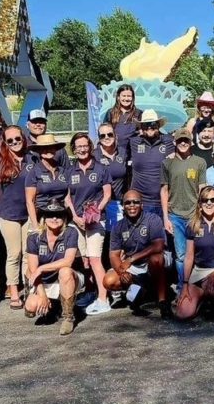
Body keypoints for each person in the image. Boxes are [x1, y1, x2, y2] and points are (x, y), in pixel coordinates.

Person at [0, 125, 36, 309]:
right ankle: (13, 291)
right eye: (10, 140)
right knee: (14, 254)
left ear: (23, 139)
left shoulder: (32, 159)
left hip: (29, 213)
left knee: (29, 254)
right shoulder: (0, 161)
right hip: (9, 215)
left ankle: (29, 288)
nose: (14, 143)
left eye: (18, 139)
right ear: (5, 143)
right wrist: (3, 197)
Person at [64, 132, 113, 316]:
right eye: (79, 146)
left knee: (94, 258)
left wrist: (96, 212)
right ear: (74, 149)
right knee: (83, 261)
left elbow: (107, 194)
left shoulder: (101, 168)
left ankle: (103, 298)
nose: (82, 149)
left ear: (90, 147)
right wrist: (75, 217)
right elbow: (67, 197)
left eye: (85, 146)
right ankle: (90, 292)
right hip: (76, 221)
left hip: (95, 222)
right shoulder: (69, 170)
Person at [102, 190, 170, 318]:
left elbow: (158, 246)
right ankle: (139, 288)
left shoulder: (153, 219)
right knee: (108, 281)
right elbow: (113, 255)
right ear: (123, 206)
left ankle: (163, 301)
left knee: (156, 259)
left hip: (151, 260)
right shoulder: (118, 227)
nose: (132, 205)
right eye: (128, 203)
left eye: (136, 202)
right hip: (133, 267)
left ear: (142, 205)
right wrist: (122, 272)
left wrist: (131, 259)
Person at [175, 186, 214, 322]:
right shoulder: (192, 225)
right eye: (205, 200)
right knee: (183, 313)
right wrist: (185, 284)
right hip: (199, 270)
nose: (209, 203)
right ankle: (204, 299)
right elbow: (189, 257)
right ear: (200, 204)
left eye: (213, 200)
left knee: (209, 285)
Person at [24, 200, 83, 336]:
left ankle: (68, 317)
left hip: (68, 279)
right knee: (31, 307)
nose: (55, 218)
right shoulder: (33, 237)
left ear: (65, 218)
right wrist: (43, 295)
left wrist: (42, 268)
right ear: (44, 218)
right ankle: (52, 306)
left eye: (59, 215)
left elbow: (68, 261)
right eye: (50, 215)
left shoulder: (71, 232)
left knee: (65, 271)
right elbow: (33, 270)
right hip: (43, 282)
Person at [161, 128, 208, 294]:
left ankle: (198, 287)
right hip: (175, 215)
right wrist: (166, 218)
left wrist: (202, 214)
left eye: (186, 140)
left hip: (194, 215)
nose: (183, 143)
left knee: (198, 253)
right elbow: (164, 190)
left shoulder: (199, 162)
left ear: (191, 142)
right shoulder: (168, 163)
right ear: (174, 142)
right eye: (180, 140)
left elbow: (203, 189)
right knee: (180, 255)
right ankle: (183, 287)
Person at [128, 109, 174, 218]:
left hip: (163, 201)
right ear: (141, 127)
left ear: (158, 125)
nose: (149, 127)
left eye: (152, 124)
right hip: (140, 202)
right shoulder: (134, 142)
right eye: (145, 125)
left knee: (162, 235)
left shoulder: (168, 141)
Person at [24, 134, 70, 222]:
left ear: (56, 149)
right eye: (44, 147)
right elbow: (30, 201)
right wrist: (35, 225)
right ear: (39, 151)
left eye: (51, 147)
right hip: (42, 217)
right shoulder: (34, 172)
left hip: (61, 216)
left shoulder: (63, 171)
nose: (48, 150)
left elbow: (67, 198)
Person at [95, 121, 128, 232]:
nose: (106, 137)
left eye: (110, 134)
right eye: (102, 135)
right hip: (99, 204)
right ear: (99, 138)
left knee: (116, 238)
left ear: (115, 135)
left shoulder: (123, 152)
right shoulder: (93, 155)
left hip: (118, 203)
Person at [105, 84, 141, 155]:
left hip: (133, 152)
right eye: (124, 96)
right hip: (114, 151)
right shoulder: (110, 112)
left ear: (133, 98)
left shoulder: (139, 113)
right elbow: (104, 131)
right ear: (118, 97)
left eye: (129, 96)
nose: (126, 99)